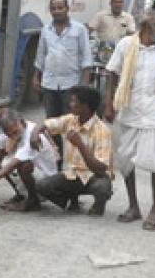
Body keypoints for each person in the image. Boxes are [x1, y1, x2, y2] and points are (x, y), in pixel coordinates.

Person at [105, 10, 155, 230]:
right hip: (128, 111)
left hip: (154, 113)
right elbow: (112, 73)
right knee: (126, 163)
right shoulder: (126, 45)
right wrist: (109, 103)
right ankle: (133, 207)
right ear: (150, 27)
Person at [33, 86, 115, 216]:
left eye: (74, 101)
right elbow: (46, 124)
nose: (70, 104)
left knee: (102, 188)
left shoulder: (102, 131)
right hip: (71, 174)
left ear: (85, 106)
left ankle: (98, 205)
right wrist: (35, 134)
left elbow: (100, 169)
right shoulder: (70, 119)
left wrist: (80, 145)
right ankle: (70, 201)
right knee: (41, 186)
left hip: (93, 176)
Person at [0, 112, 59, 213]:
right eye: (10, 135)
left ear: (22, 122)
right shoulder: (13, 130)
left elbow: (13, 164)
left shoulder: (31, 135)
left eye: (15, 132)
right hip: (36, 175)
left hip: (46, 183)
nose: (14, 137)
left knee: (24, 164)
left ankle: (33, 201)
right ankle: (21, 194)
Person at [33, 0, 92, 119]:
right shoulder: (45, 30)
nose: (57, 11)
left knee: (69, 122)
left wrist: (84, 86)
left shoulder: (79, 29)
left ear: (67, 9)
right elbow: (41, 55)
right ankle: (53, 140)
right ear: (50, 11)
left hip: (71, 84)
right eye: (53, 9)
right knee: (52, 123)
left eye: (60, 8)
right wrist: (36, 77)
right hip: (49, 84)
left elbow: (86, 58)